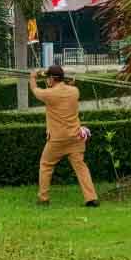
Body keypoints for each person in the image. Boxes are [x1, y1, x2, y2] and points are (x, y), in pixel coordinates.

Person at [31, 65, 99, 207]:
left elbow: (35, 90)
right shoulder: (75, 91)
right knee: (81, 167)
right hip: (75, 138)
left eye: (48, 78)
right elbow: (67, 89)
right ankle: (91, 198)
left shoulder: (49, 94)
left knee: (45, 166)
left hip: (57, 140)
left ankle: (43, 198)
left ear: (51, 79)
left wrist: (32, 77)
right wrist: (67, 83)